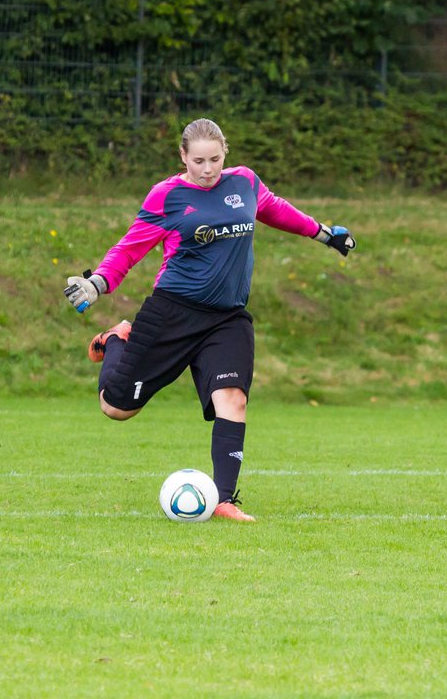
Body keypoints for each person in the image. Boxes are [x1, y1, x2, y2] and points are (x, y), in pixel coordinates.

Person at [63, 118, 355, 522]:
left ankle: (224, 499)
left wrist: (324, 233)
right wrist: (98, 283)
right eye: (198, 160)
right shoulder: (167, 196)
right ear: (183, 157)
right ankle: (117, 337)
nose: (207, 169)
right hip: (172, 312)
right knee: (116, 408)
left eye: (214, 159)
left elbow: (275, 210)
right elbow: (129, 248)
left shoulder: (245, 183)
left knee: (232, 400)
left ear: (225, 154)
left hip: (227, 318)